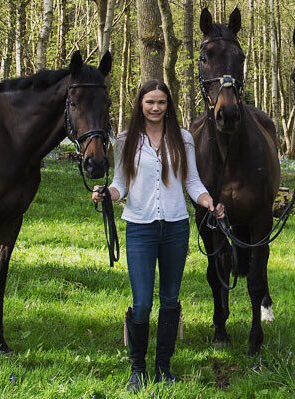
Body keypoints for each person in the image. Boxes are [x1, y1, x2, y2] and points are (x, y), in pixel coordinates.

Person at [91, 79, 224, 392]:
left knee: (169, 299)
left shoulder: (183, 139)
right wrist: (106, 194)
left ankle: (163, 367)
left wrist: (208, 202)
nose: (155, 108)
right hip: (139, 227)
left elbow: (192, 182)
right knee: (141, 303)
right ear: (140, 104)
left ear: (168, 106)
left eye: (161, 102)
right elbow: (120, 183)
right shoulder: (126, 140)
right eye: (150, 102)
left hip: (176, 226)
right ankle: (138, 369)